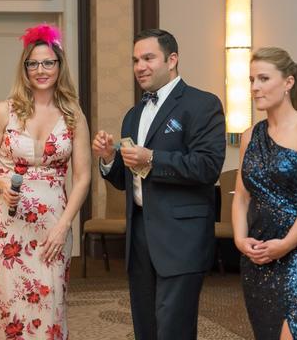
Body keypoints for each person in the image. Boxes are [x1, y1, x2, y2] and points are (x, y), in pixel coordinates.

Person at [91, 29, 226, 340]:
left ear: (172, 59)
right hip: (140, 235)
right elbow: (129, 180)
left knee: (173, 330)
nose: (140, 66)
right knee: (146, 329)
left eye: (148, 58)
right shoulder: (133, 115)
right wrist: (109, 159)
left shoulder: (202, 104)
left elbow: (207, 167)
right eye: (136, 60)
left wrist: (151, 157)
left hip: (181, 236)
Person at [0, 23, 91, 339]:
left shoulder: (73, 115)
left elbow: (82, 178)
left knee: (50, 305)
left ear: (59, 65)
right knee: (8, 308)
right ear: (24, 68)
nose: (41, 70)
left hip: (53, 224)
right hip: (8, 226)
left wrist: (64, 226)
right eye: (33, 63)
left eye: (48, 63)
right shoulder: (3, 112)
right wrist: (1, 184)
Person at [231, 47, 297, 340]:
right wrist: (240, 240)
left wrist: (286, 244)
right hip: (257, 256)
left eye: (263, 78)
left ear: (288, 82)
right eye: (251, 80)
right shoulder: (249, 135)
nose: (255, 87)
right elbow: (241, 196)